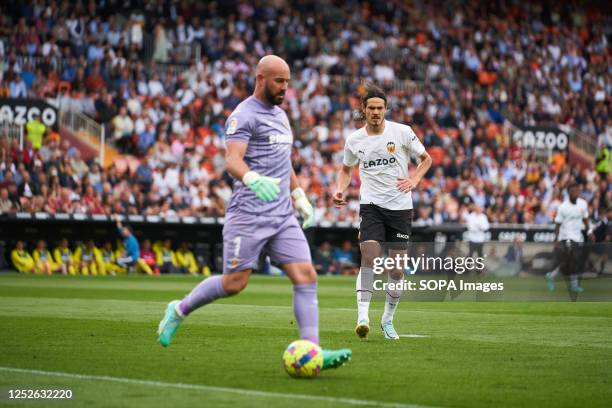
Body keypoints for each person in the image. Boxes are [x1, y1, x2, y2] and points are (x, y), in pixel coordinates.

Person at [157, 55, 351, 370]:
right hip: (248, 213)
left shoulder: (282, 116)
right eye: (279, 81)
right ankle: (178, 310)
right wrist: (251, 177)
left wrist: (298, 193)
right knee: (235, 283)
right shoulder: (243, 115)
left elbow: (283, 160)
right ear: (261, 78)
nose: (285, 88)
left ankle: (312, 351)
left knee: (306, 275)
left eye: (288, 82)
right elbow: (232, 159)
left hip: (282, 214)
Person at [333, 83, 432, 340]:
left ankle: (387, 320)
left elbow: (427, 159)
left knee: (396, 270)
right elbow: (345, 169)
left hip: (400, 208)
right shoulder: (354, 140)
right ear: (363, 110)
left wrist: (415, 180)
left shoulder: (402, 132)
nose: (376, 112)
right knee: (369, 256)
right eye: (371, 108)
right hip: (371, 206)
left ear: (386, 109)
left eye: (380, 108)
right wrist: (340, 190)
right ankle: (362, 317)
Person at [546, 184, 590, 293]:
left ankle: (552, 275)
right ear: (569, 193)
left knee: (571, 261)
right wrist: (556, 239)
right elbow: (557, 223)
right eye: (573, 192)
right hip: (566, 236)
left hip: (578, 236)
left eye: (577, 191)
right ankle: (573, 286)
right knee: (573, 258)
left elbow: (585, 218)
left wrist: (589, 231)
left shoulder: (583, 204)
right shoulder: (563, 207)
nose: (575, 193)